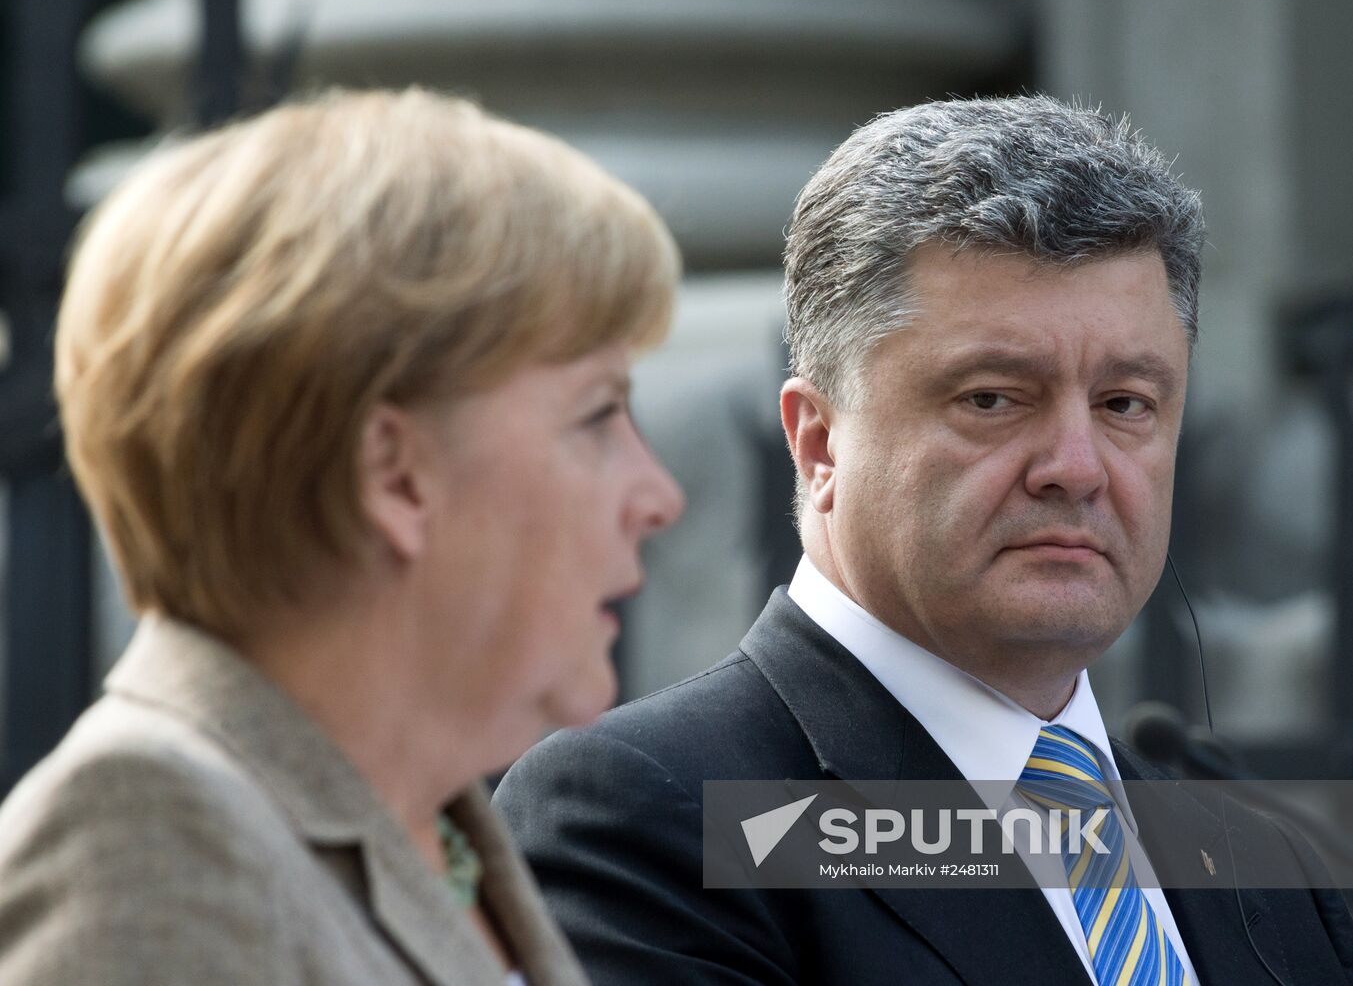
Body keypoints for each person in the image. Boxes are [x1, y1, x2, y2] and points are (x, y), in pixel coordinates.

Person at [495, 95, 1353, 984]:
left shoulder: (1272, 871)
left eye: (1123, 404)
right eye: (991, 398)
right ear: (818, 443)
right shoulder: (655, 815)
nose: (1076, 466)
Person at [0, 87, 684, 985]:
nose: (658, 496)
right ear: (394, 475)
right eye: (597, 413)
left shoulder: (443, 830)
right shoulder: (147, 828)